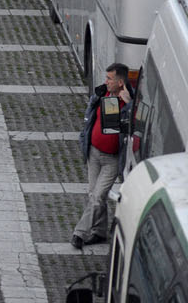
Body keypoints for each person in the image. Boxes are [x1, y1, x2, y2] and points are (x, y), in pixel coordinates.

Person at [72, 63, 135, 249]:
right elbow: (90, 115)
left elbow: (136, 126)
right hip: (94, 153)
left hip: (112, 159)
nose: (105, 81)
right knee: (93, 194)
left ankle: (79, 233)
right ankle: (99, 232)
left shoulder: (130, 101)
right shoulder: (102, 94)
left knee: (98, 197)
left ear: (120, 82)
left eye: (109, 79)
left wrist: (130, 104)